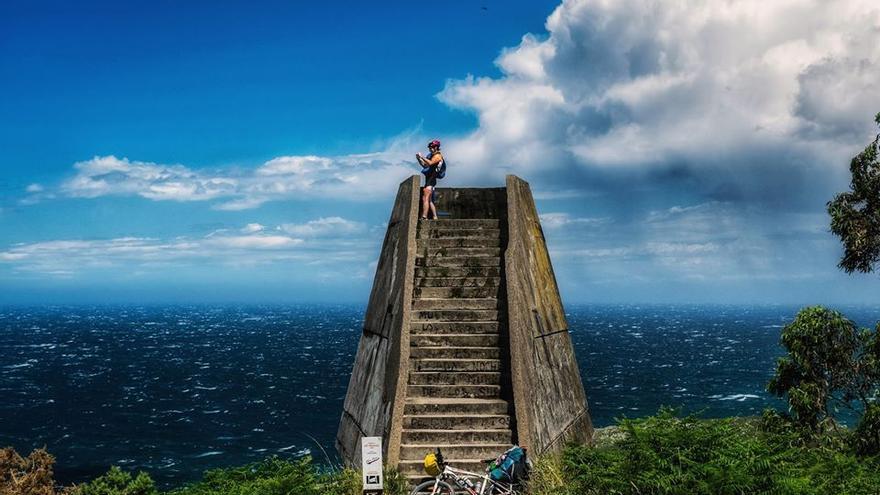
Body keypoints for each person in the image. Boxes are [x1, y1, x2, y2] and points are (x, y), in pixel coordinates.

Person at [416, 139, 444, 220]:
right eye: (430, 147)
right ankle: (435, 217)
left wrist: (422, 156)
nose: (430, 149)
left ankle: (424, 216)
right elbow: (425, 165)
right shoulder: (430, 155)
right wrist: (419, 159)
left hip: (431, 179)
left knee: (425, 198)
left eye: (432, 147)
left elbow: (430, 163)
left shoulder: (438, 156)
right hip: (429, 178)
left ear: (436, 147)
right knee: (430, 200)